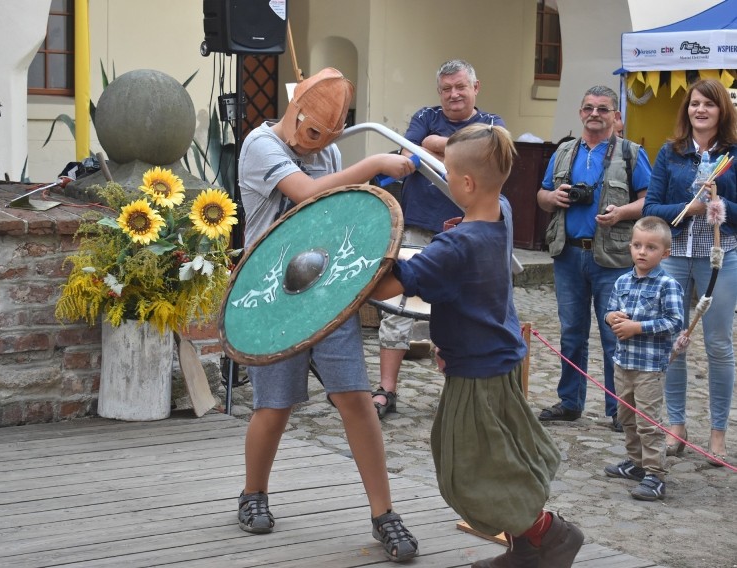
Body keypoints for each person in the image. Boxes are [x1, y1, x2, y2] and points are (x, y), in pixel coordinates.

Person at [372, 123, 584, 568]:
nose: (445, 179)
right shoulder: (501, 211)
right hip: (499, 359)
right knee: (498, 455)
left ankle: (547, 535)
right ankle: (526, 547)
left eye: (449, 173)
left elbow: (391, 284)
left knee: (473, 470)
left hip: (478, 372)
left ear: (466, 183)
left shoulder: (455, 246)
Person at [235, 67, 419, 562]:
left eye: (326, 140)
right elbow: (307, 195)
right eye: (312, 134)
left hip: (325, 292)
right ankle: (253, 493)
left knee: (357, 399)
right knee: (274, 406)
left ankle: (385, 515)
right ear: (294, 112)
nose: (317, 148)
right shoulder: (260, 145)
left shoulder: (329, 151)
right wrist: (377, 163)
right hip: (271, 297)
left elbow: (335, 213)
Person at [374, 59, 505, 418]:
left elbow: (492, 162)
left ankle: (456, 393)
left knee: (458, 310)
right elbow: (406, 158)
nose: (453, 94)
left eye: (460, 87)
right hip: (416, 223)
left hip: (467, 229)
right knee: (397, 308)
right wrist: (451, 149)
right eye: (446, 89)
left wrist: (433, 144)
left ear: (475, 88)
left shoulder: (493, 124)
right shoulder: (425, 116)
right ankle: (387, 390)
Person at [536, 85, 652, 432]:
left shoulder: (631, 153)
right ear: (580, 112)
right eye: (588, 108)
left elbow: (649, 201)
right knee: (571, 333)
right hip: (568, 253)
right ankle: (570, 402)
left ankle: (618, 409)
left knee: (612, 334)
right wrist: (552, 197)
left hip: (612, 259)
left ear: (616, 116)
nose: (595, 114)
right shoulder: (564, 152)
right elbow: (541, 195)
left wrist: (621, 213)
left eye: (603, 109)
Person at [641, 78, 737, 466]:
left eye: (709, 105)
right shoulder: (671, 153)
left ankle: (718, 432)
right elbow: (652, 207)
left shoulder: (733, 154)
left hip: (721, 255)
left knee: (717, 344)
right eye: (695, 103)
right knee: (674, 341)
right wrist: (691, 208)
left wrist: (720, 205)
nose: (700, 110)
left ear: (721, 112)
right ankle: (676, 427)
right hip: (676, 254)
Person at [603, 216, 683, 501]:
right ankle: (636, 464)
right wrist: (611, 317)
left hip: (649, 367)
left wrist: (638, 327)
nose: (641, 251)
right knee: (625, 417)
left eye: (650, 247)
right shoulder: (623, 280)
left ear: (665, 253)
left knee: (648, 422)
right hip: (623, 363)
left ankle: (655, 475)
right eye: (637, 245)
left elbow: (674, 321)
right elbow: (609, 311)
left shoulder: (667, 284)